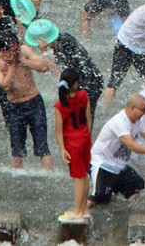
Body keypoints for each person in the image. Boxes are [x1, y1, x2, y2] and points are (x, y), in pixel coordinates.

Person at [88, 94, 145, 208]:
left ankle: (128, 212)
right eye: (143, 109)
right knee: (98, 197)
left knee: (137, 187)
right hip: (102, 164)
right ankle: (78, 213)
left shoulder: (139, 122)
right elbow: (131, 144)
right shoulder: (119, 121)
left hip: (119, 166)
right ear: (132, 108)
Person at [0, 35, 52, 170]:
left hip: (35, 103)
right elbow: (5, 86)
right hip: (14, 107)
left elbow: (43, 67)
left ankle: (49, 174)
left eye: (16, 47)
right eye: (12, 49)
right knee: (17, 151)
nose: (15, 52)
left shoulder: (24, 51)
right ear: (3, 51)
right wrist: (12, 65)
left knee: (43, 147)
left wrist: (22, 60)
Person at [29, 19, 104, 118]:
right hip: (92, 80)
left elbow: (56, 71)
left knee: (82, 119)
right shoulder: (63, 38)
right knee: (82, 117)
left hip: (89, 84)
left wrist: (44, 52)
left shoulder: (63, 46)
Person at [55, 68, 92, 221]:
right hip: (85, 138)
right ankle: (84, 209)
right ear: (75, 83)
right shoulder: (84, 96)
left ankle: (76, 212)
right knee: (85, 176)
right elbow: (88, 118)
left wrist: (63, 149)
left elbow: (58, 131)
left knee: (78, 178)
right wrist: (87, 136)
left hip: (72, 143)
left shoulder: (59, 105)